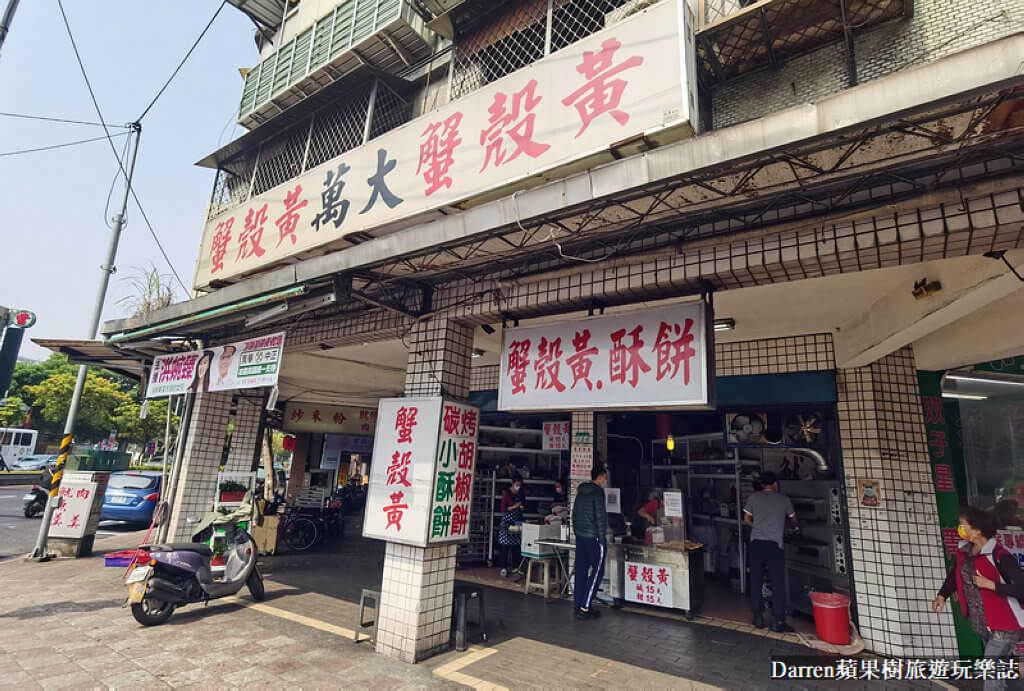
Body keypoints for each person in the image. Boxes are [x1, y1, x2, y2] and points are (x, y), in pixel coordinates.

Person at [935, 505, 1024, 686]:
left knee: (990, 669)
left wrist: (992, 585)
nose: (959, 528)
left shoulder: (999, 555)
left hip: (1005, 624)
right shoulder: (965, 552)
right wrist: (942, 595)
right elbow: (955, 575)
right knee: (1003, 669)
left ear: (977, 529)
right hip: (983, 623)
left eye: (963, 524)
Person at [744, 471, 797, 631]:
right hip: (774, 545)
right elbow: (793, 519)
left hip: (756, 544)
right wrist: (795, 527)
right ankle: (778, 621)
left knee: (756, 580)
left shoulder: (753, 498)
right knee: (777, 582)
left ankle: (758, 617)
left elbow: (747, 520)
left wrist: (759, 527)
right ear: (775, 483)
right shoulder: (784, 499)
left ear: (762, 484)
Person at [572, 464, 608, 620]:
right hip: (593, 536)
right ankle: (585, 607)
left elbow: (574, 514)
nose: (605, 481)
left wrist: (577, 532)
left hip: (580, 536)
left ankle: (578, 605)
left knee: (580, 571)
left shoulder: (581, 492)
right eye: (604, 478)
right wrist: (602, 538)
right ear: (599, 477)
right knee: (597, 571)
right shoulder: (597, 492)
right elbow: (600, 517)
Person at [497, 474, 526, 576]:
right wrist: (514, 506)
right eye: (517, 485)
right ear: (512, 483)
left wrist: (521, 507)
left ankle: (515, 567)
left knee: (516, 546)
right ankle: (503, 567)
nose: (518, 487)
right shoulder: (507, 494)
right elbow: (503, 509)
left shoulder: (521, 493)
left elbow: (524, 505)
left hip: (516, 522)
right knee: (505, 546)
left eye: (520, 485)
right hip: (507, 522)